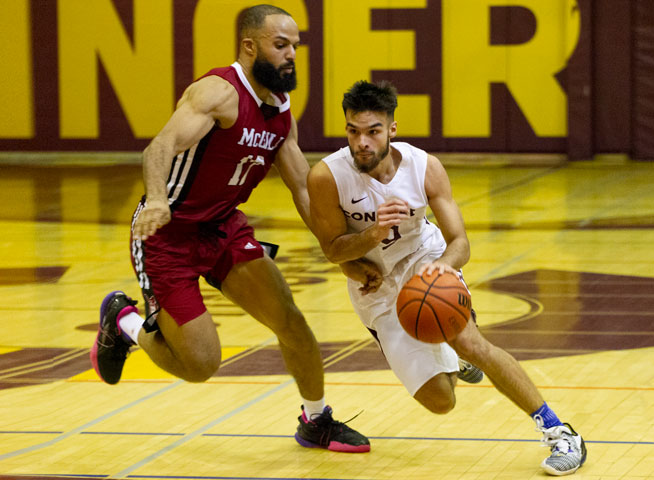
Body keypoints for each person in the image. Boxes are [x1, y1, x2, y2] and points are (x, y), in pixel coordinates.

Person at [90, 4, 369, 454]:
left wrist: (339, 251)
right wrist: (158, 199)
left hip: (224, 229)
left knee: (292, 321)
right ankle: (124, 322)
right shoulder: (217, 93)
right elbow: (159, 148)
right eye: (281, 45)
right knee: (201, 365)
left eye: (295, 46)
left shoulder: (280, 111)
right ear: (249, 46)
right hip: (168, 237)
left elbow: (303, 188)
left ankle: (315, 420)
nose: (291, 55)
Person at [306, 80, 587, 474]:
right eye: (353, 131)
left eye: (372, 131)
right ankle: (450, 360)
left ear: (392, 130)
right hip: (376, 283)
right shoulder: (326, 176)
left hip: (426, 257)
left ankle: (560, 432)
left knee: (471, 342)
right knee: (441, 402)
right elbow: (332, 249)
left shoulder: (424, 167)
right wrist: (371, 236)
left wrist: (444, 265)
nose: (362, 142)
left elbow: (460, 242)